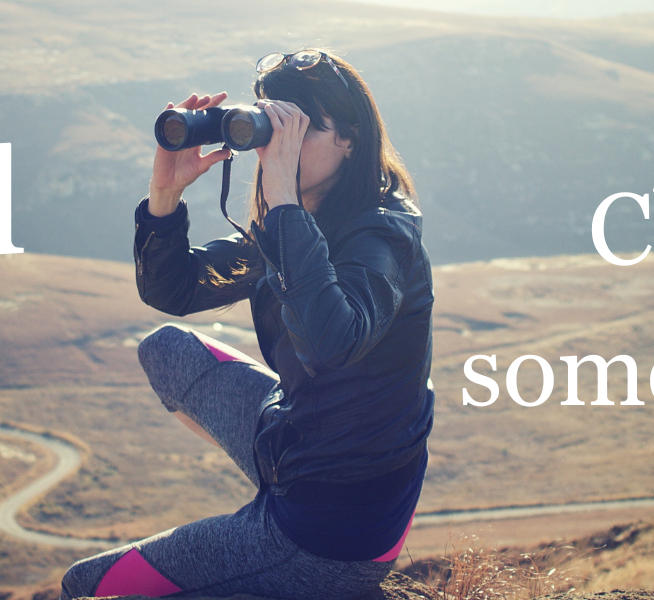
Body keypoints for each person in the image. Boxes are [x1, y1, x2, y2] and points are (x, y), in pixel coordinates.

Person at [58, 48, 436, 600]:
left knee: (85, 586)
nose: (280, 148)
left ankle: (271, 555)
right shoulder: (302, 218)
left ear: (351, 140)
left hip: (332, 532)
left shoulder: (381, 237)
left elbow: (332, 344)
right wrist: (165, 195)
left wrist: (282, 200)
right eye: (273, 129)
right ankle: (267, 506)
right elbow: (174, 290)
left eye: (303, 130)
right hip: (299, 441)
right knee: (165, 349)